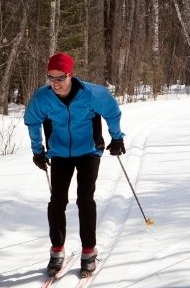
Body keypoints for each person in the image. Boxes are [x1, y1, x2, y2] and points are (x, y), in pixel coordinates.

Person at [24, 52, 125, 275]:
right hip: (60, 152)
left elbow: (112, 112)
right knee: (57, 201)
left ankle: (89, 250)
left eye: (60, 78)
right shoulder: (42, 97)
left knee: (85, 198)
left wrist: (117, 137)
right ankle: (57, 249)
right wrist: (37, 150)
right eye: (51, 78)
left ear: (71, 75)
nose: (55, 83)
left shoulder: (92, 94)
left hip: (89, 151)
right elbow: (32, 121)